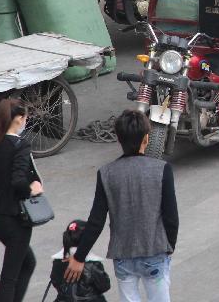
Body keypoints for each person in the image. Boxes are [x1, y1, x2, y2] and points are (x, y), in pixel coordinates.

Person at [66, 110, 179, 302]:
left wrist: (79, 257)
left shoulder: (106, 173)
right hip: (155, 251)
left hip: (123, 257)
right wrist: (170, 246)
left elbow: (96, 222)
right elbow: (171, 217)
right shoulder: (162, 169)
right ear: (146, 139)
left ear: (118, 138)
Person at [0, 99, 43, 302]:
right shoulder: (20, 146)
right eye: (25, 117)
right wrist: (33, 189)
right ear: (19, 119)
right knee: (10, 276)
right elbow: (18, 180)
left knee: (27, 262)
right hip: (16, 218)